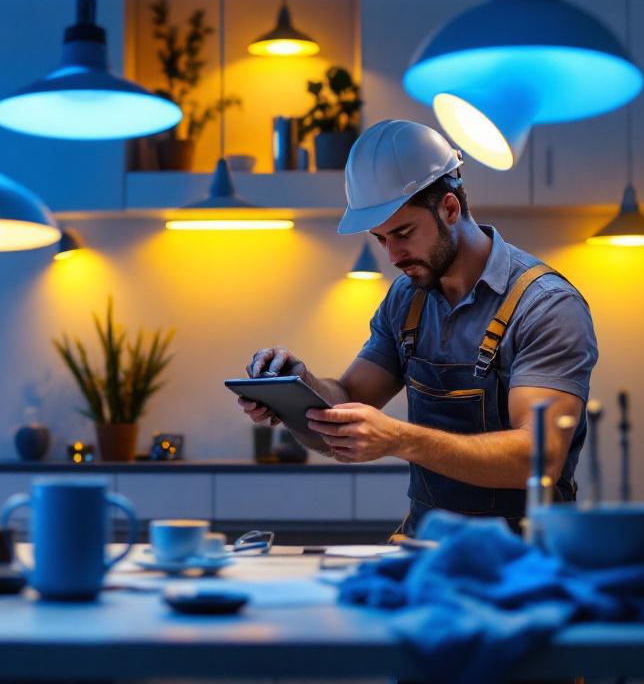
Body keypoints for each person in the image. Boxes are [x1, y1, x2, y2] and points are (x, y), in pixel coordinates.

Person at [238, 120, 598, 535]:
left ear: (450, 209)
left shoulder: (545, 306)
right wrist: (296, 391)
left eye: (403, 233)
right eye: (381, 239)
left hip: (525, 554)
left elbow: (540, 458)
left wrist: (400, 439)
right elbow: (346, 405)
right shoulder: (406, 299)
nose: (393, 255)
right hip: (427, 547)